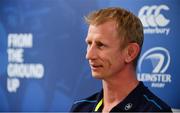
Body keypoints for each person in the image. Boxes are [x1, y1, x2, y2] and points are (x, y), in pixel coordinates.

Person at [70, 7, 172, 112]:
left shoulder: (155, 111)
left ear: (130, 52)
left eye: (100, 45)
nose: (89, 55)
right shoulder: (79, 108)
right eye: (89, 43)